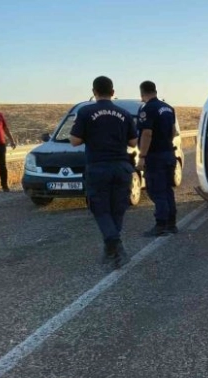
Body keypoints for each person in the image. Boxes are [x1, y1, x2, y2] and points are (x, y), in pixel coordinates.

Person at [70, 76, 138, 268]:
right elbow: (133, 142)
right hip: (121, 167)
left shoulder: (85, 111)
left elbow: (75, 140)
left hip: (99, 167)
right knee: (117, 209)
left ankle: (114, 245)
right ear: (113, 92)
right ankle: (113, 249)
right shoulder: (124, 114)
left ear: (94, 92)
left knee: (100, 209)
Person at [136, 81, 178, 236]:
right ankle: (171, 224)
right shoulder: (168, 108)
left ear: (142, 93)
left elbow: (147, 133)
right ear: (155, 90)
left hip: (155, 156)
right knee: (167, 189)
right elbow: (173, 131)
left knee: (156, 190)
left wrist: (142, 156)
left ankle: (160, 225)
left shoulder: (148, 109)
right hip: (168, 154)